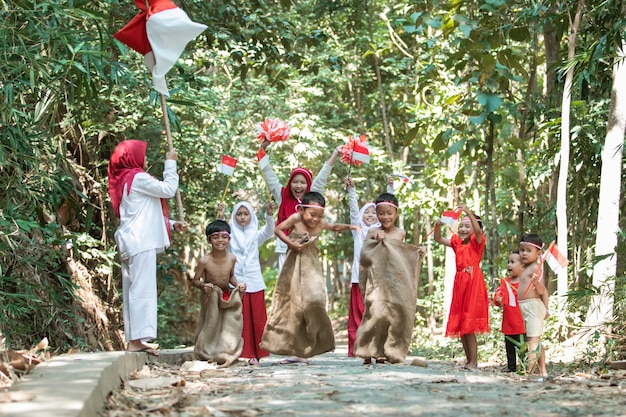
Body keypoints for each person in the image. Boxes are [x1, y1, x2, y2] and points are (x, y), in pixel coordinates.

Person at [108, 139, 188, 357]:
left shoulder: (125, 181)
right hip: (139, 242)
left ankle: (136, 339)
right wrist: (170, 164)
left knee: (133, 290)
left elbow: (143, 213)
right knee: (142, 290)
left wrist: (172, 224)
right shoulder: (137, 178)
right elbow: (168, 189)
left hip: (131, 240)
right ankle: (136, 340)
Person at [260, 192, 359, 363]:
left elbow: (333, 227)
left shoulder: (320, 223)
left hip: (311, 268)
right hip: (292, 268)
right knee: (293, 305)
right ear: (302, 209)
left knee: (314, 301)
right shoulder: (295, 218)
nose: (315, 219)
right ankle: (295, 351)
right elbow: (278, 229)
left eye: (319, 215)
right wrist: (292, 244)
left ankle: (316, 344)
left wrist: (350, 227)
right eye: (312, 214)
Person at [354, 192, 425, 364]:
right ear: (377, 214)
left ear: (396, 214)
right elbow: (364, 254)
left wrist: (418, 254)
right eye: (381, 213)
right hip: (376, 282)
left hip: (393, 282)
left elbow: (402, 257)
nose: (385, 217)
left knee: (391, 317)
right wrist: (375, 241)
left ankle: (385, 352)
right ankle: (367, 352)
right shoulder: (372, 231)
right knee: (374, 315)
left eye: (389, 213)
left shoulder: (400, 233)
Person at [258, 140, 341, 270]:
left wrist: (335, 153)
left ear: (308, 185)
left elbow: (322, 177)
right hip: (285, 248)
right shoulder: (282, 196)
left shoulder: (312, 198)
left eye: (302, 182)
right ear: (290, 183)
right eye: (295, 182)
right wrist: (262, 149)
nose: (298, 186)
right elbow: (269, 176)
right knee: (286, 285)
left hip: (306, 248)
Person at [433, 203, 489, 368]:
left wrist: (467, 211)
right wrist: (437, 226)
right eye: (461, 225)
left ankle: (474, 362)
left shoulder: (477, 242)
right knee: (462, 325)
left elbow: (478, 231)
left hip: (473, 282)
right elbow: (438, 238)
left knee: (469, 323)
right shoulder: (457, 243)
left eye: (467, 226)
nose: (463, 229)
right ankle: (468, 360)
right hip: (460, 283)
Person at [345, 176, 394, 357]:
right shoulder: (358, 232)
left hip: (376, 281)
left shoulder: (381, 232)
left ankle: (374, 347)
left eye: (374, 213)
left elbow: (389, 209)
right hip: (359, 279)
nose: (371, 215)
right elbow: (353, 211)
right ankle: (356, 348)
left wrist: (390, 188)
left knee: (374, 314)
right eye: (367, 213)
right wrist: (352, 190)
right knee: (357, 315)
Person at [191, 220, 247, 367]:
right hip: (211, 297)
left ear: (229, 239)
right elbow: (195, 280)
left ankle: (226, 352)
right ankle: (205, 351)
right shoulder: (204, 261)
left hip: (227, 295)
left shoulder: (232, 258)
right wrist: (204, 286)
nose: (220, 240)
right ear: (209, 240)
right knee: (210, 324)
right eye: (216, 237)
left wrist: (238, 285)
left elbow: (231, 277)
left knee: (228, 324)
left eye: (224, 237)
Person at [226, 201, 275, 367]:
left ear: (252, 216)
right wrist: (219, 217)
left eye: (245, 214)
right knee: (241, 319)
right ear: (234, 216)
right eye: (238, 214)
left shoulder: (255, 234)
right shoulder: (230, 234)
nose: (242, 217)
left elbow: (269, 231)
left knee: (257, 319)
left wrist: (269, 214)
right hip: (236, 281)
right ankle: (242, 354)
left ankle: (257, 354)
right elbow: (218, 233)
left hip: (254, 280)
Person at [518, 233, 549, 376]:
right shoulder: (523, 267)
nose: (524, 253)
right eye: (522, 250)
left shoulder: (536, 267)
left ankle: (528, 373)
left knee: (533, 341)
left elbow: (542, 290)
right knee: (534, 339)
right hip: (524, 306)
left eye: (528, 251)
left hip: (533, 307)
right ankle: (543, 371)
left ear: (538, 253)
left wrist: (536, 283)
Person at [493, 251, 525, 372]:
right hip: (508, 321)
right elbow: (498, 298)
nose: (509, 265)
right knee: (509, 346)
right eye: (508, 262)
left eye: (513, 262)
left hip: (522, 322)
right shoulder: (505, 282)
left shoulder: (525, 282)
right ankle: (511, 367)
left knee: (523, 346)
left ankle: (525, 366)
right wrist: (497, 299)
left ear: (522, 266)